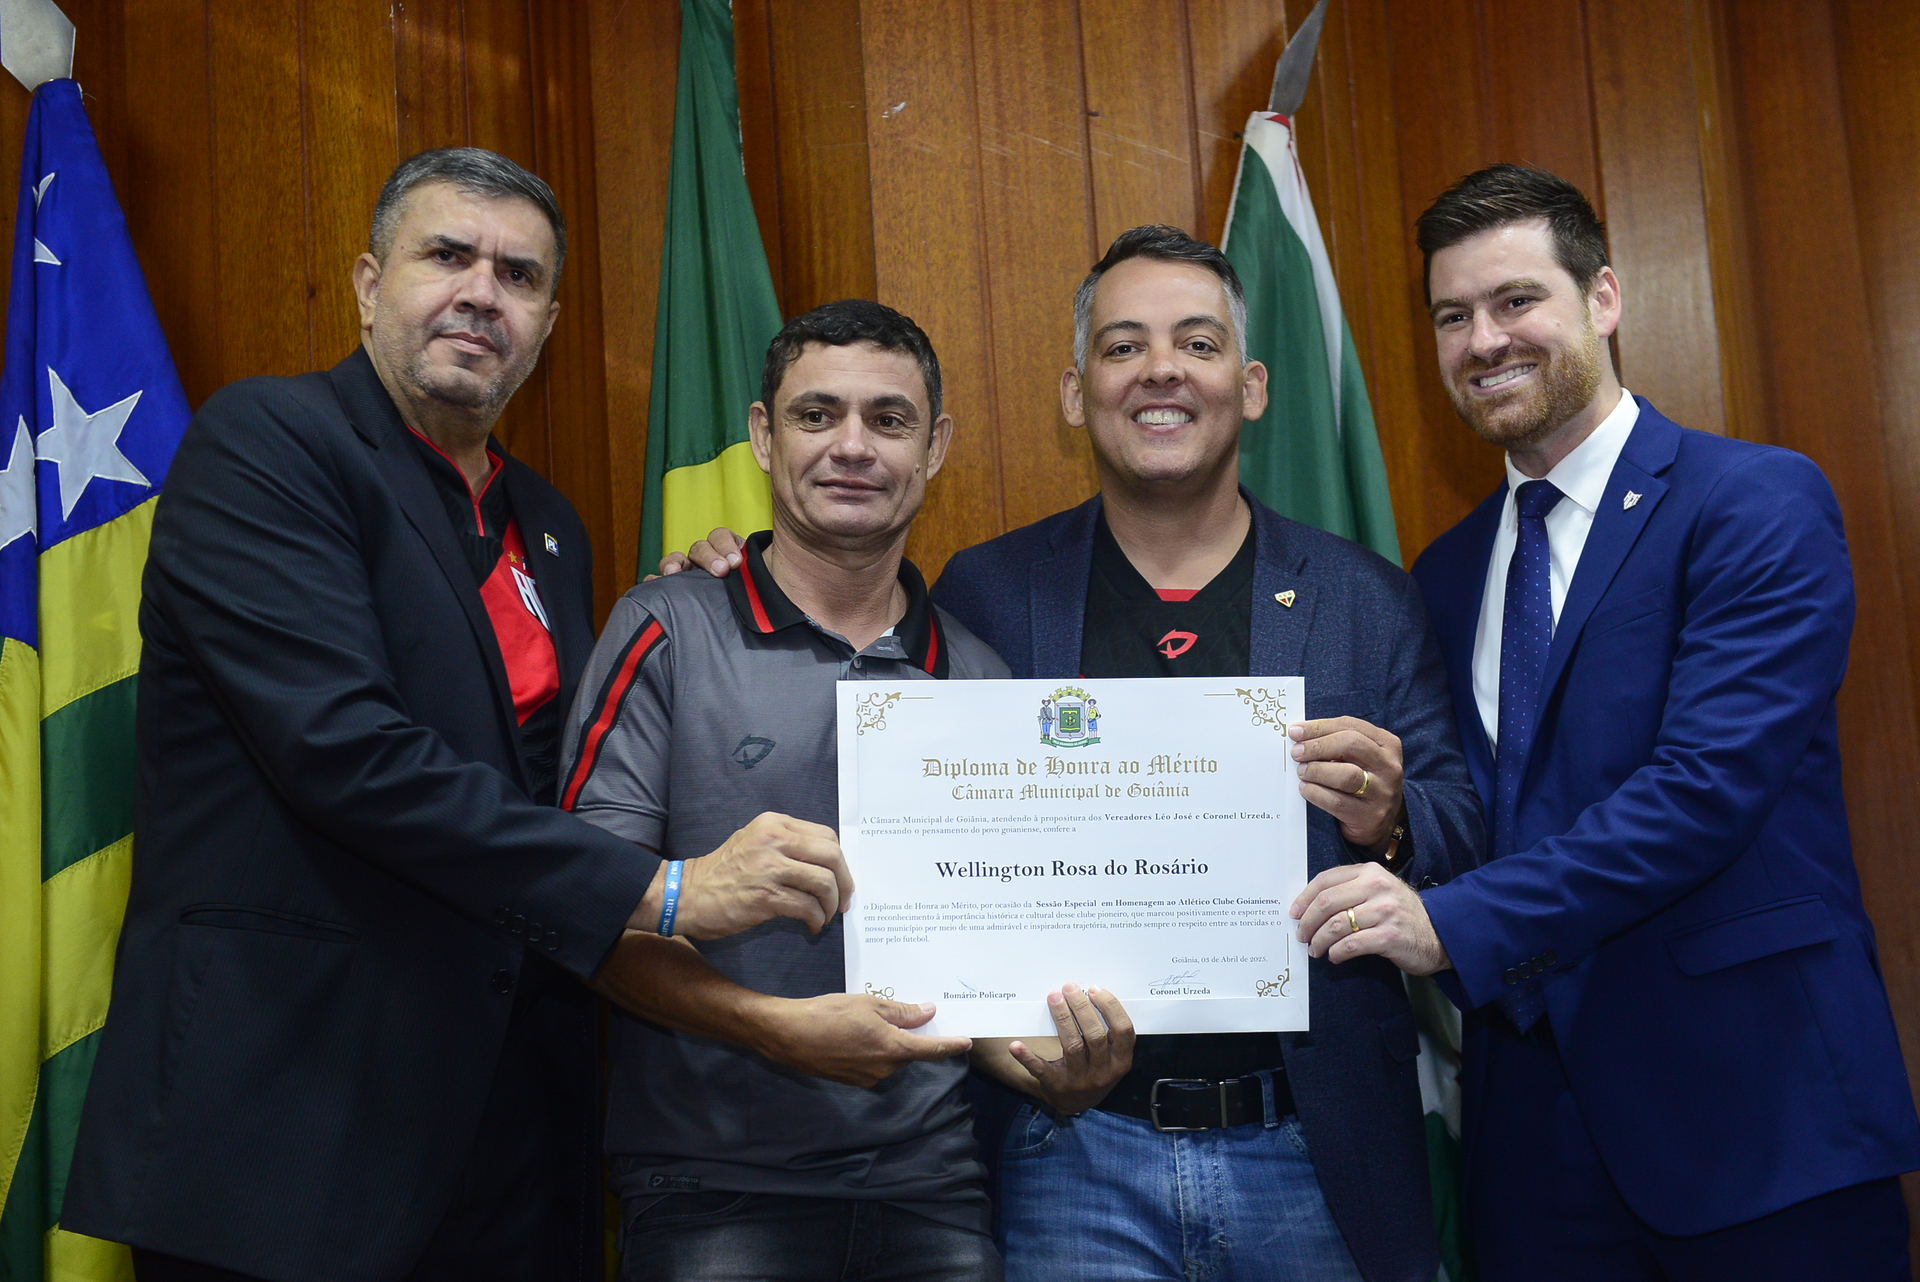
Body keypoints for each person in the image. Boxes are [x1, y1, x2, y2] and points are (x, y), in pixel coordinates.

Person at [63, 150, 942, 1282]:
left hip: (507, 1130)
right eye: (448, 256)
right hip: (292, 1121)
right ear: (369, 285)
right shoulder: (270, 445)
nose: (482, 293)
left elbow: (548, 776)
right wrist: (669, 890)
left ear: (547, 324)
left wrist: (703, 603)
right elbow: (345, 755)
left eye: (519, 275)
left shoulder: (548, 524)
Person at [665, 227, 1483, 1282]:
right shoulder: (987, 591)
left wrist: (1394, 818)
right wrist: (732, 572)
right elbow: (872, 722)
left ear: (1252, 387)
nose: (1161, 370)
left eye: (1197, 343)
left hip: (1317, 1148)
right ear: (1074, 391)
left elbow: (1467, 832)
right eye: (1123, 345)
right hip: (1069, 1150)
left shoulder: (1363, 596)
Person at [1291, 163, 1920, 1279]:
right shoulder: (1443, 575)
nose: (1484, 340)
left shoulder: (1752, 503)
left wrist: (1452, 926)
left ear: (1604, 298)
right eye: (1452, 316)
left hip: (1759, 1120)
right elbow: (1482, 809)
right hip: (1531, 1152)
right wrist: (1396, 825)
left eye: (1516, 300)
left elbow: (1703, 792)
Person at [562, 298, 1132, 1281]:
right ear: (763, 436)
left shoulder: (981, 679)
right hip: (710, 1191)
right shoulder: (665, 629)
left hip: (933, 1192)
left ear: (935, 446)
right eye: (817, 415)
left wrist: (1058, 1067)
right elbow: (585, 910)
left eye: (889, 419)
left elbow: (976, 966)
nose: (853, 446)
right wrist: (777, 1030)